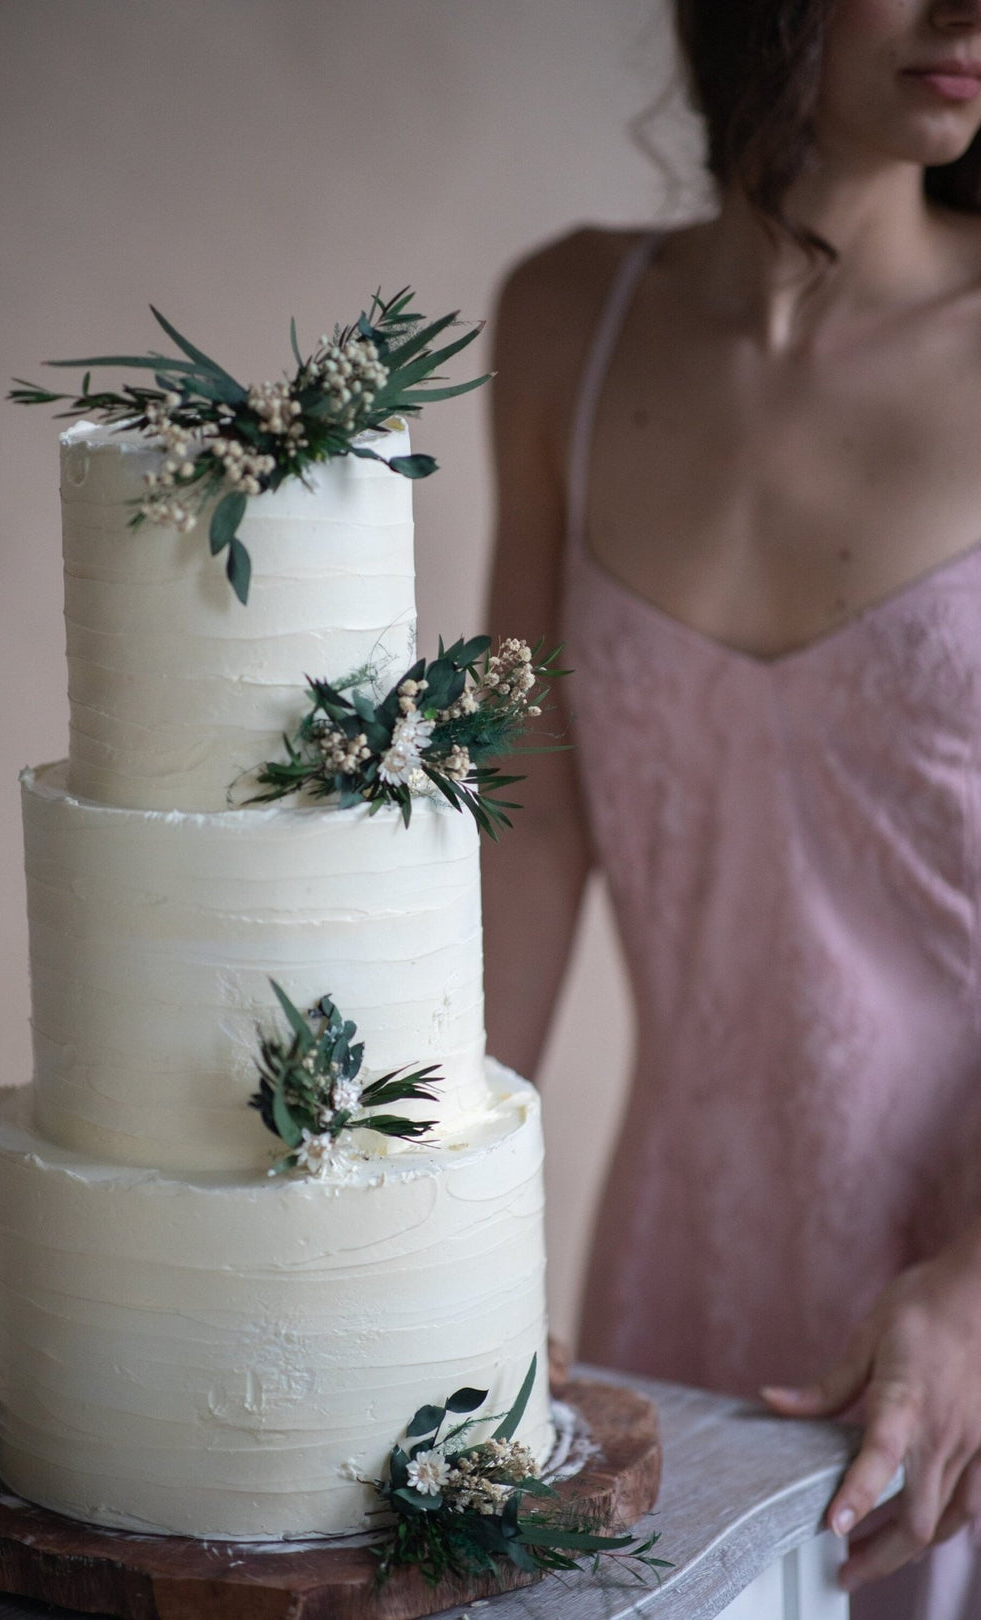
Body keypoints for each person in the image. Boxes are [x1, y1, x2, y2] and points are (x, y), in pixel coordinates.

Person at [482, 2, 981, 1614]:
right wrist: (430, 1231)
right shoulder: (572, 319)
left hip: (960, 1296)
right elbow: (529, 814)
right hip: (677, 1258)